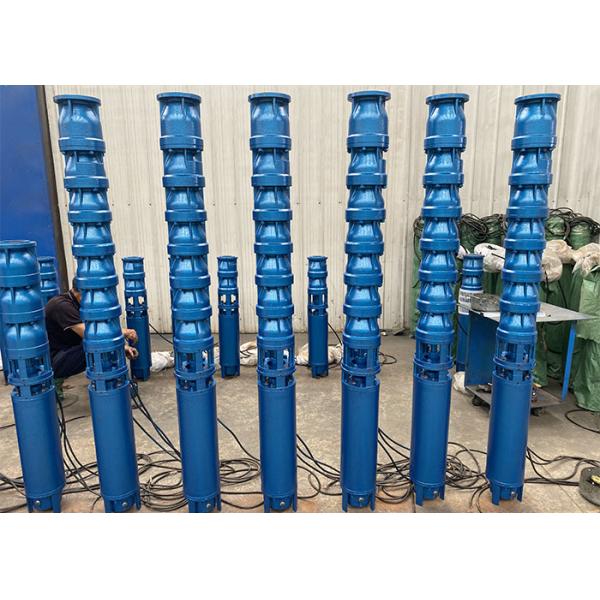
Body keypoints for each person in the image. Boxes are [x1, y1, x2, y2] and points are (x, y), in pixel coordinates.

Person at [45, 279, 138, 380]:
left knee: (104, 344)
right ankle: (109, 384)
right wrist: (123, 332)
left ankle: (115, 382)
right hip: (55, 361)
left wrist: (121, 346)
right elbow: (92, 334)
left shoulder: (78, 304)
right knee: (99, 346)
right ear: (82, 292)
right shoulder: (61, 305)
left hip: (68, 351)